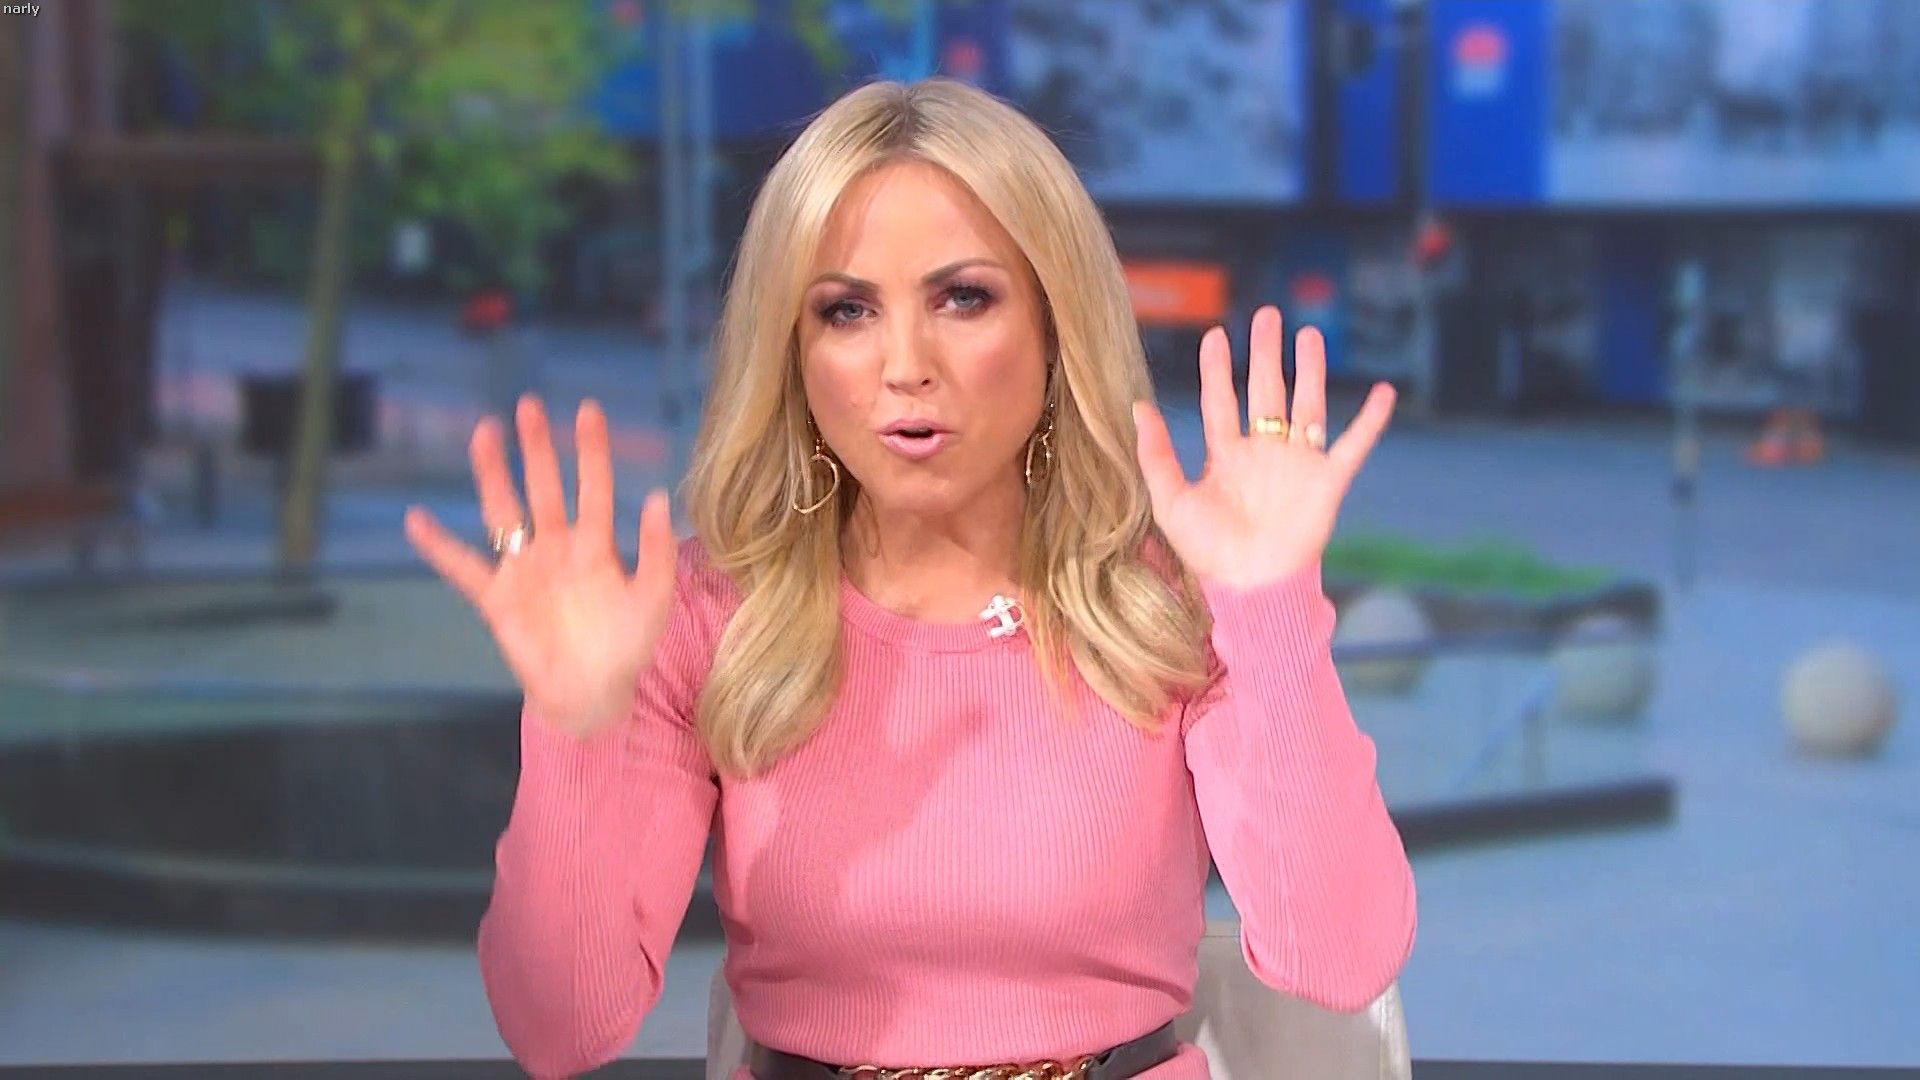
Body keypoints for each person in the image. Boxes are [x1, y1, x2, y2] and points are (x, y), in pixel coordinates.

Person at [403, 78, 1414, 1080]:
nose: (904, 364)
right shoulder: (706, 616)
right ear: (793, 352)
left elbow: (1340, 960)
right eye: (846, 311)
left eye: (962, 298)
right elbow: (563, 1031)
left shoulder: (1167, 604)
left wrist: (1269, 609)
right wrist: (575, 729)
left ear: (1056, 326)